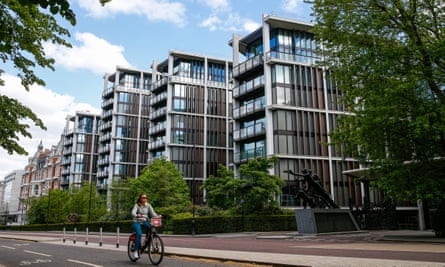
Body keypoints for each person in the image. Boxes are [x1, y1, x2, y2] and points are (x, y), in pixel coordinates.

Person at [131, 193, 159, 259]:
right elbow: (133, 212)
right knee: (139, 234)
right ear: (140, 199)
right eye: (143, 198)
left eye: (146, 198)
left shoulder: (148, 205)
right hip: (136, 222)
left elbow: (153, 213)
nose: (145, 199)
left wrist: (158, 216)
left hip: (144, 221)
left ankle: (147, 240)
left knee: (151, 228)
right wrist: (137, 215)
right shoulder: (137, 205)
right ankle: (135, 251)